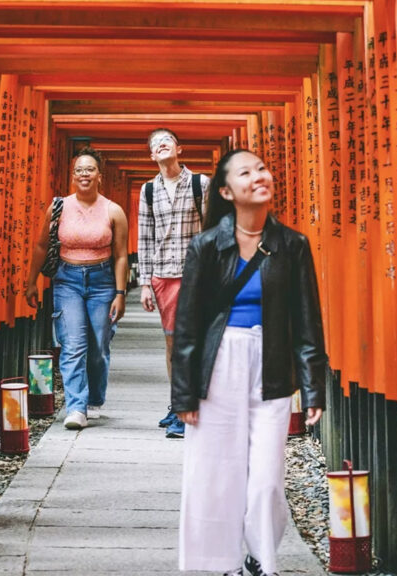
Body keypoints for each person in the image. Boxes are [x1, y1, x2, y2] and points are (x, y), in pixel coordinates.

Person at [170, 149, 328, 576]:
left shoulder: (292, 245)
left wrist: (313, 387)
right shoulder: (206, 246)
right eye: (246, 172)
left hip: (271, 364)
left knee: (267, 478)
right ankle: (224, 562)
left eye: (262, 169)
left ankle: (261, 556)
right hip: (219, 363)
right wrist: (184, 394)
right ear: (226, 191)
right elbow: (187, 325)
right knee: (217, 470)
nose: (259, 176)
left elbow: (307, 321)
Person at [26, 146, 129, 430]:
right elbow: (41, 246)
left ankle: (94, 398)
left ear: (99, 176)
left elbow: (121, 255)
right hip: (67, 280)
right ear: (72, 176)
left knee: (98, 346)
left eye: (90, 169)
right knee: (72, 345)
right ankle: (76, 407)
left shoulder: (113, 210)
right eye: (79, 170)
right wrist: (31, 281)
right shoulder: (59, 207)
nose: (84, 174)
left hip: (102, 281)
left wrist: (120, 294)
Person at [137, 128, 209, 439]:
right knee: (171, 343)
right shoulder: (148, 190)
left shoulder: (200, 184)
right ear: (152, 155)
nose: (161, 144)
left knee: (188, 342)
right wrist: (144, 283)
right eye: (155, 143)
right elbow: (145, 238)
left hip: (195, 275)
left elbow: (214, 230)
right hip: (162, 275)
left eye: (167, 140)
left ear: (179, 149)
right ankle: (177, 403)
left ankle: (187, 410)